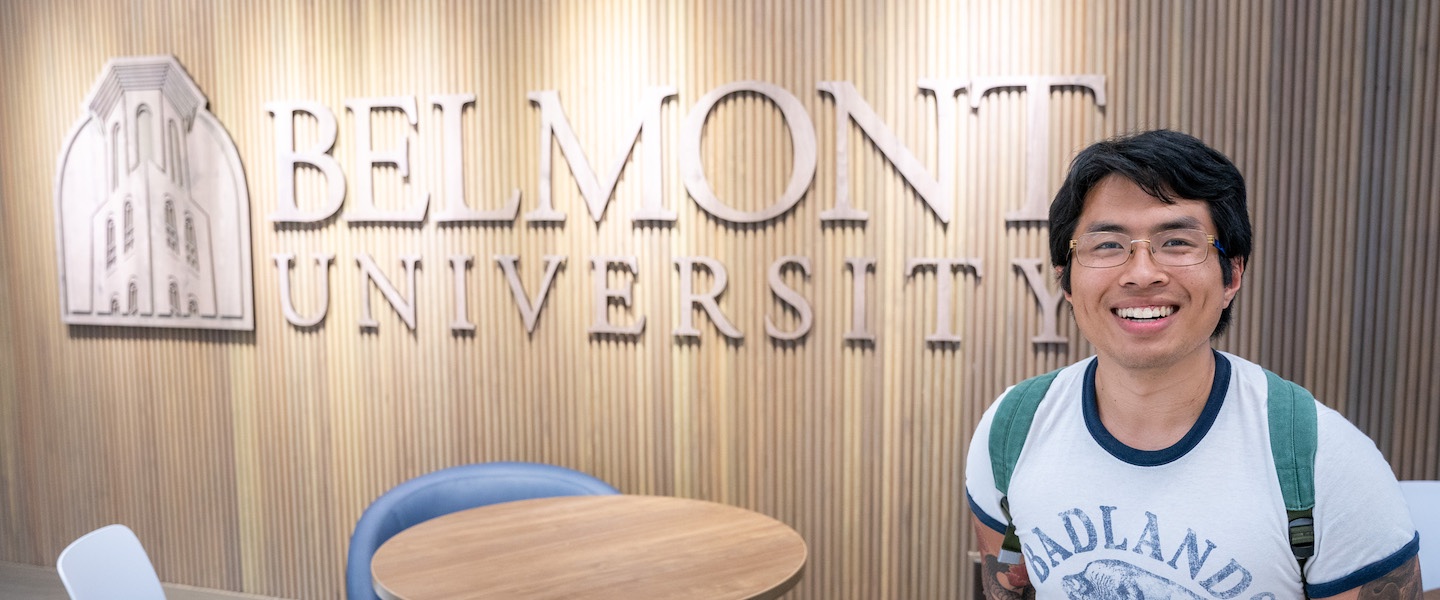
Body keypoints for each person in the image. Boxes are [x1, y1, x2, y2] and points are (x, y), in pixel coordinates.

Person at [965, 129, 1421, 599]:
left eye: (1178, 242)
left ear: (1233, 274)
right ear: (1065, 280)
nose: (1142, 273)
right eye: (1106, 245)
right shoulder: (1011, 429)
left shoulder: (1329, 463)